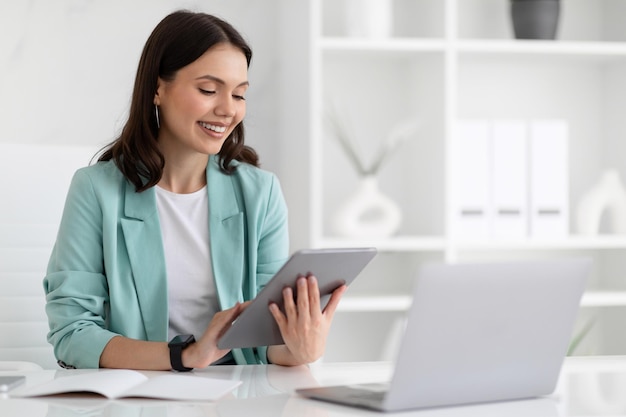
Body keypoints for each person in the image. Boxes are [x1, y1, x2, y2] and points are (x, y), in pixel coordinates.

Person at [43, 10, 346, 370]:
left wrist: (300, 348)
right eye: (208, 90)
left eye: (239, 95)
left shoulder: (260, 193)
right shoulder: (96, 190)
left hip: (235, 398)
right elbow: (72, 334)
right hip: (136, 398)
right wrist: (185, 356)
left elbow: (264, 341)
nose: (227, 110)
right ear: (158, 88)